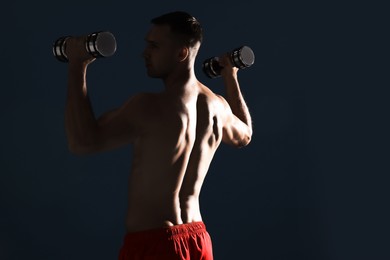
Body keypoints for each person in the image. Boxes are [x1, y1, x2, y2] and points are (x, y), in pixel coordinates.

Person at [64, 10, 252, 260]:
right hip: (199, 240)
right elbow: (246, 134)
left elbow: (83, 142)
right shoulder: (218, 107)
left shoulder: (147, 106)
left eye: (154, 46)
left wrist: (77, 64)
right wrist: (230, 75)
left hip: (156, 244)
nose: (145, 53)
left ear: (181, 53)